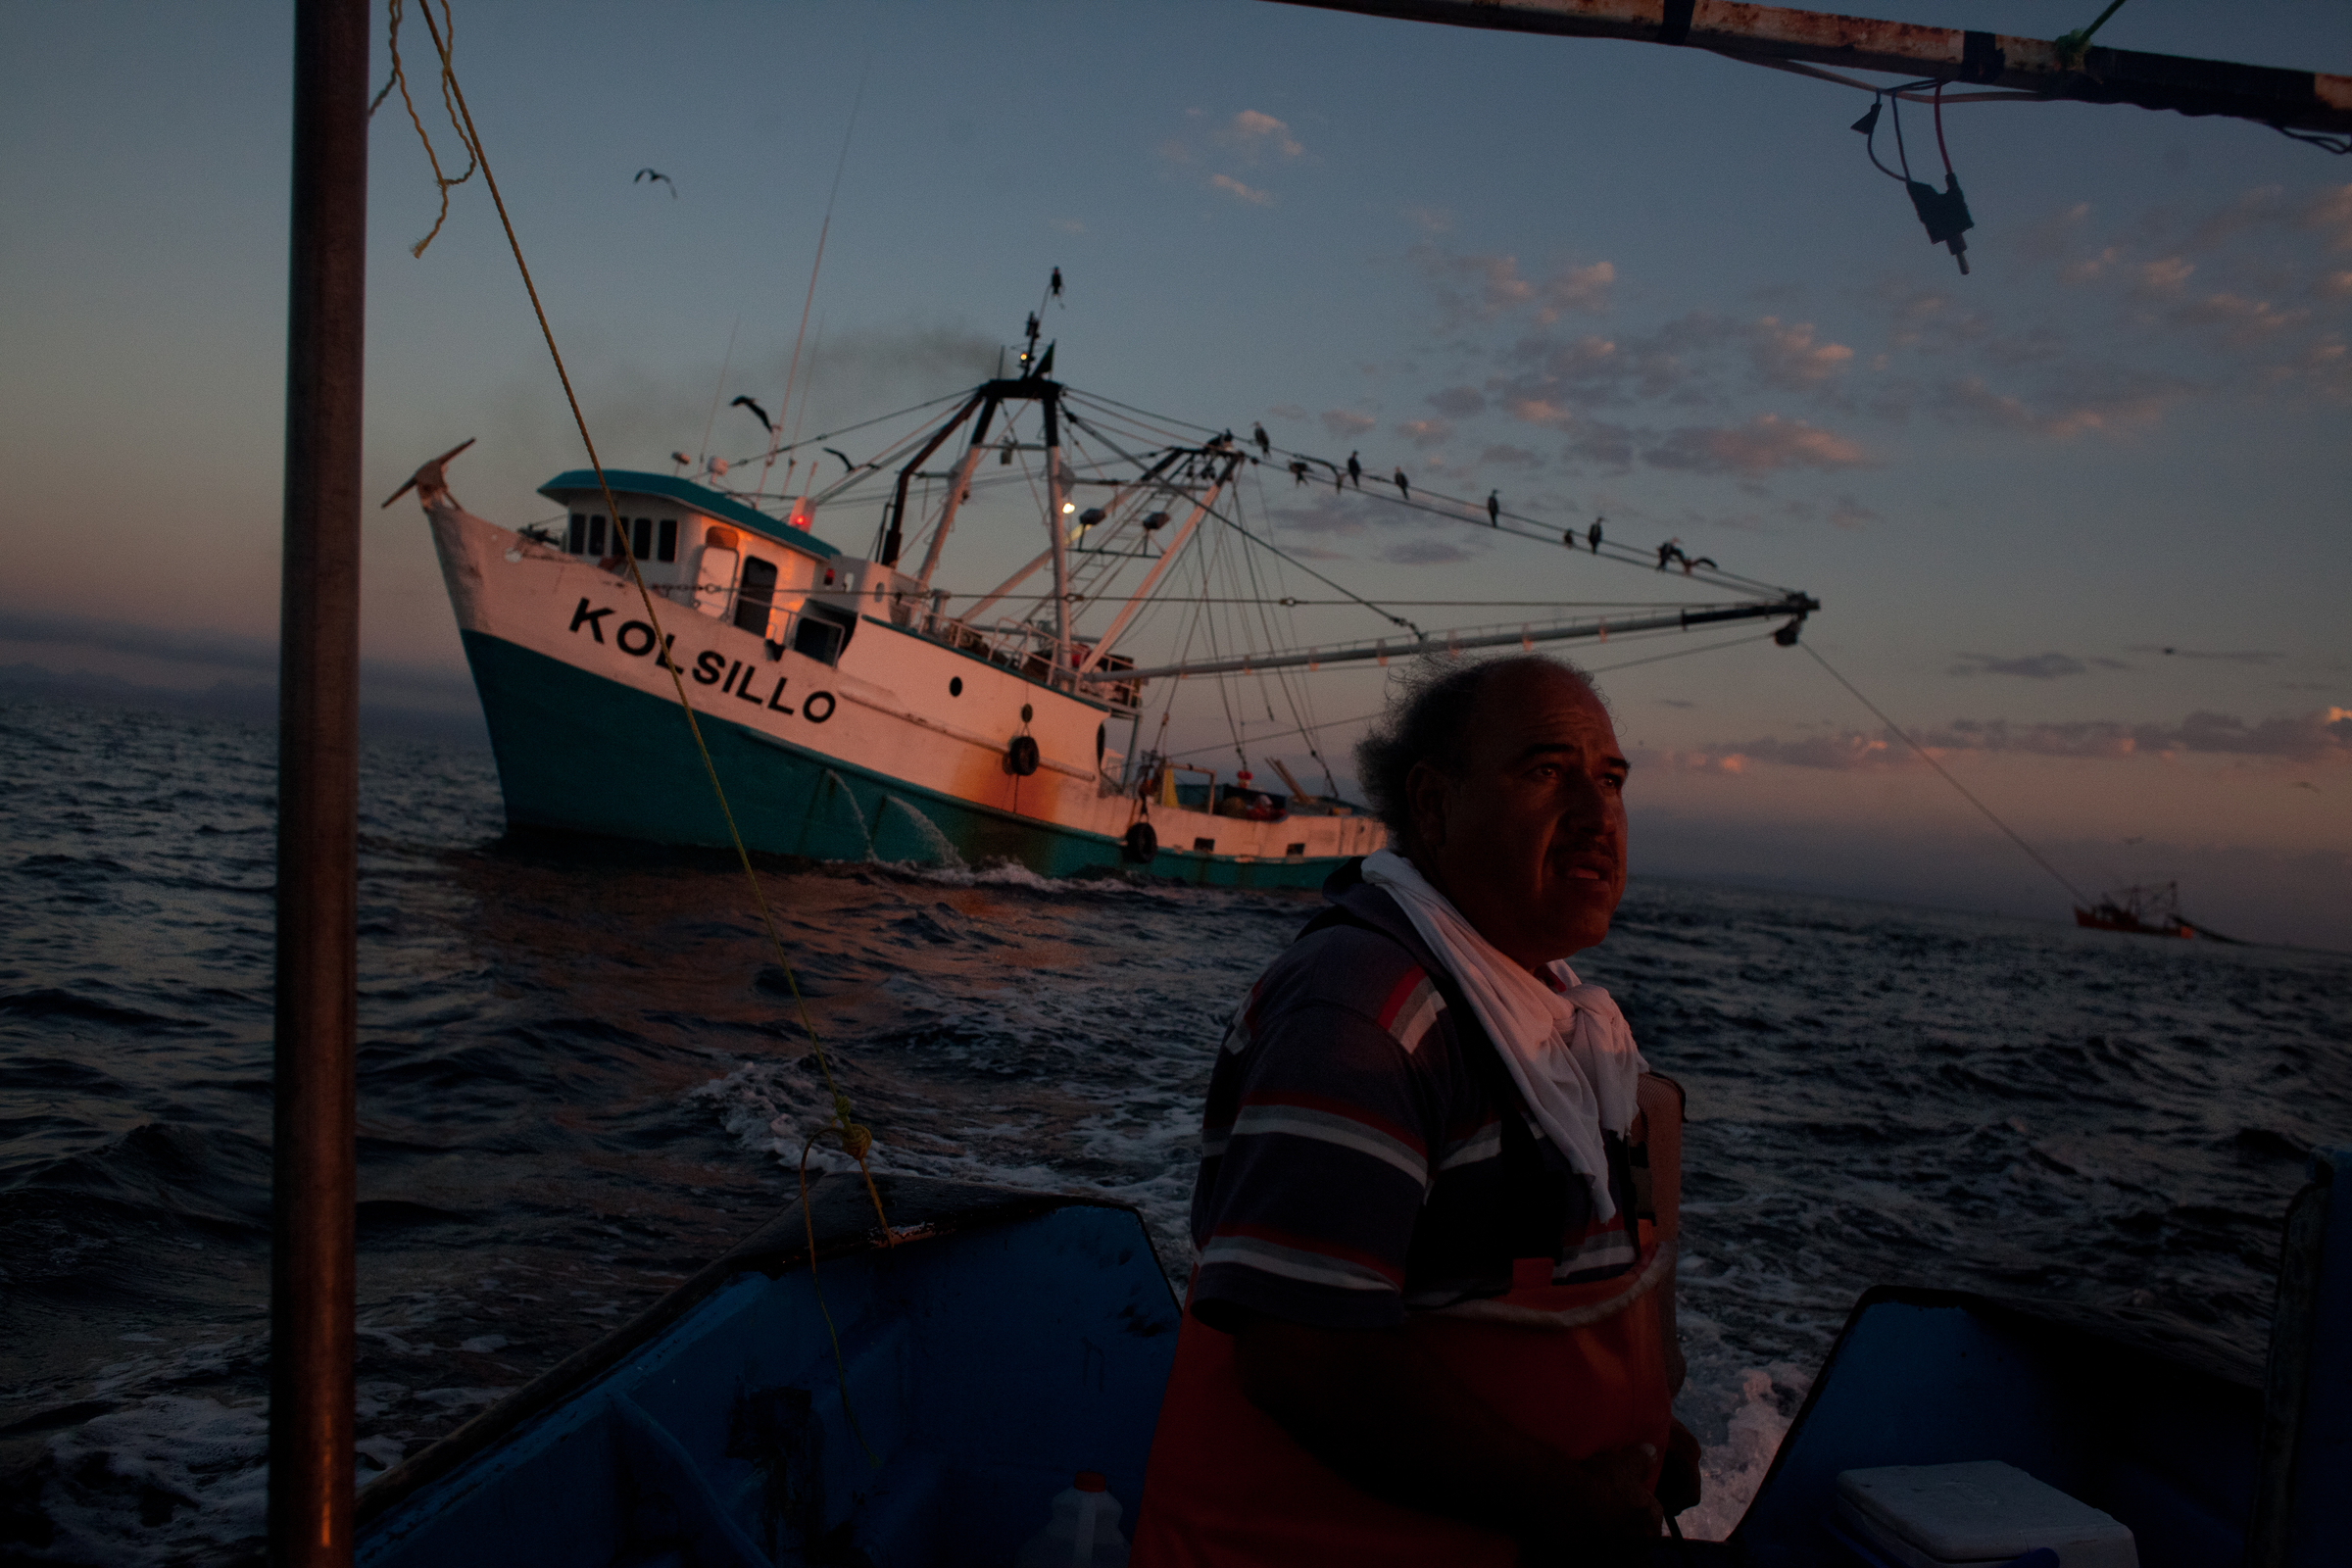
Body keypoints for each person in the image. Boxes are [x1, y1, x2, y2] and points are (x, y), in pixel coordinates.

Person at [1135, 656, 1702, 1567]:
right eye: (1548, 772)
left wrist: (1635, 1434)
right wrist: (1570, 1504)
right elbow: (1305, 1357)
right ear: (1433, 807)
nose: (1599, 818)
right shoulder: (1364, 1012)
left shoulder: (1559, 1026)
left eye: (1612, 780)